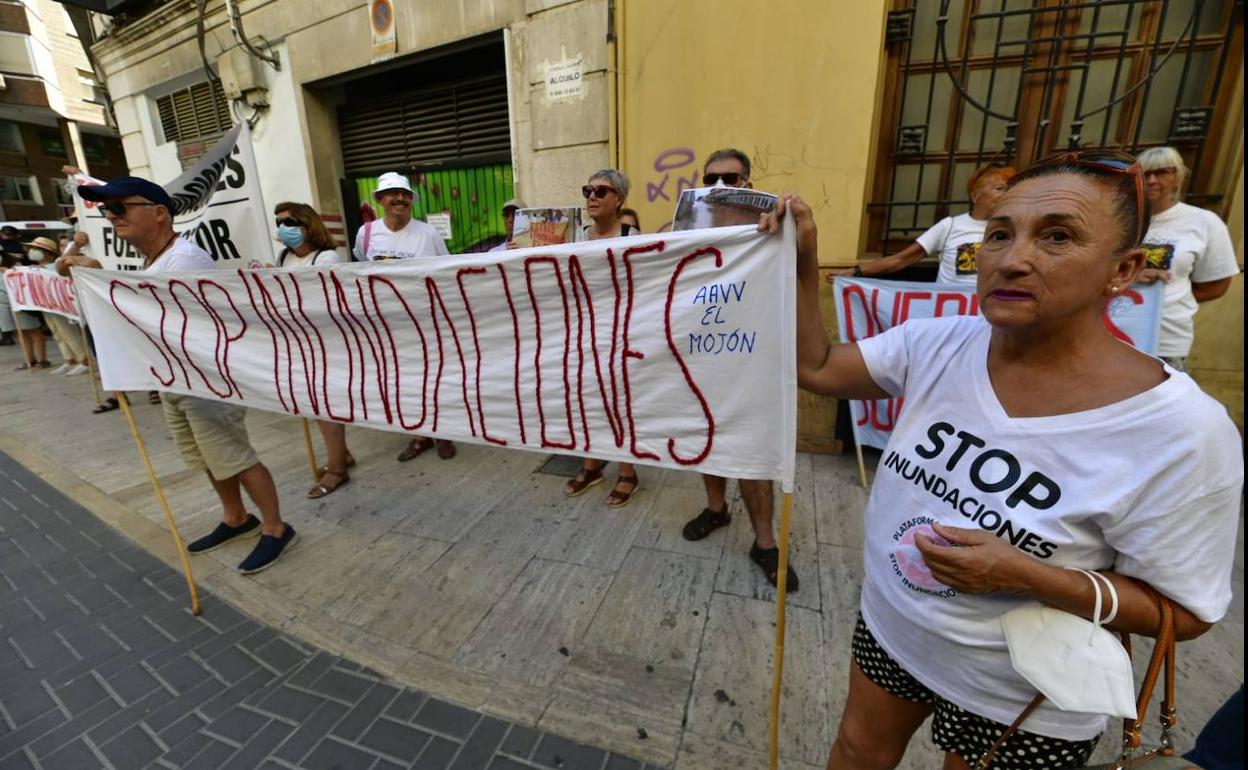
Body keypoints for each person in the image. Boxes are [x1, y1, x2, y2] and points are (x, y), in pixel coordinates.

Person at [779, 152, 1243, 770]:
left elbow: (1184, 613)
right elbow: (816, 366)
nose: (1012, 259)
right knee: (859, 751)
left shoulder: (1182, 431)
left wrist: (1027, 576)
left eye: (1058, 236)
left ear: (1124, 270)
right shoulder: (938, 341)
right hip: (896, 627)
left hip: (1026, 689)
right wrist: (802, 260)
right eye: (999, 234)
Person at [77, 176, 297, 574]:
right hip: (175, 379)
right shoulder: (153, 261)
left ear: (159, 213)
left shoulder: (185, 261)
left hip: (205, 381)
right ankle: (235, 517)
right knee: (208, 458)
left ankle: (275, 527)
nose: (112, 217)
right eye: (107, 210)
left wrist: (102, 281)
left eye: (120, 208)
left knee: (235, 457)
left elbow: (169, 320)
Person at [678, 148, 799, 591]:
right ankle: (716, 510)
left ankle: (764, 542)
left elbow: (802, 261)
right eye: (710, 179)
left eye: (729, 178)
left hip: (753, 359)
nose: (719, 187)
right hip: (704, 355)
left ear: (748, 182)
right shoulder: (689, 230)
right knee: (708, 438)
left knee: (752, 451)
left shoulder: (774, 227)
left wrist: (789, 218)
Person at [353, 171, 457, 462]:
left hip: (425, 320)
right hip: (388, 323)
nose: (400, 199)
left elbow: (448, 270)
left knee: (436, 376)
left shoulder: (428, 233)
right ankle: (420, 435)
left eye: (405, 194)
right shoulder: (366, 233)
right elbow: (361, 268)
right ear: (380, 199)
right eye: (393, 194)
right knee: (405, 380)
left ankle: (444, 432)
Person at [564, 169, 642, 508]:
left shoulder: (631, 236)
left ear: (619, 199)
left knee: (620, 404)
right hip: (582, 332)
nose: (592, 197)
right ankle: (592, 465)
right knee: (586, 402)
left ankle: (627, 472)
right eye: (588, 190)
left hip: (621, 333)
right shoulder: (576, 236)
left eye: (601, 191)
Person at [273, 201, 356, 498]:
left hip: (325, 342)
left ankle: (337, 470)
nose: (283, 228)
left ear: (308, 225)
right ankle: (341, 454)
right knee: (314, 402)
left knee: (325, 404)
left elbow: (327, 300)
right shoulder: (284, 257)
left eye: (289, 222)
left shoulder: (326, 258)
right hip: (298, 341)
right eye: (279, 223)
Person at [1133, 147, 1239, 372]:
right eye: (1145, 173)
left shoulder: (1203, 222)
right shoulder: (1119, 219)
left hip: (1166, 339)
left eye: (1162, 172)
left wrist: (1168, 299)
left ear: (1178, 177)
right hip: (1114, 331)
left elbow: (1216, 285)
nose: (1151, 180)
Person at [830, 164, 1015, 284]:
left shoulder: (1015, 230)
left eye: (1009, 190)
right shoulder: (950, 226)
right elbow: (901, 259)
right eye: (1000, 189)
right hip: (950, 319)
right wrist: (855, 272)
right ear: (975, 195)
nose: (1006, 194)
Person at [24, 237, 89, 376]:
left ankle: (84, 361)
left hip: (61, 306)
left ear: (47, 252)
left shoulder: (56, 265)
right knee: (57, 334)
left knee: (69, 333)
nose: (32, 251)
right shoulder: (33, 269)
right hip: (47, 306)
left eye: (36, 249)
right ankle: (70, 360)